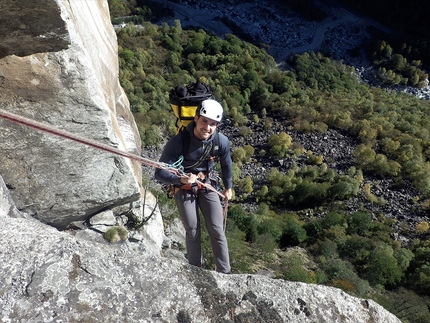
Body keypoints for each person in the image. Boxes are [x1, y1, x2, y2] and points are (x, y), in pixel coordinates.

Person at [155, 99, 233, 274]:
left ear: (217, 125)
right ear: (196, 118)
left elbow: (226, 164)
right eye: (204, 121)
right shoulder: (178, 142)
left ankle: (224, 272)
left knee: (216, 229)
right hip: (183, 186)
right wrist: (181, 181)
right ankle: (195, 269)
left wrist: (228, 187)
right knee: (192, 229)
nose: (208, 127)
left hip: (207, 183)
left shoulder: (221, 142)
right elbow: (159, 173)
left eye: (213, 124)